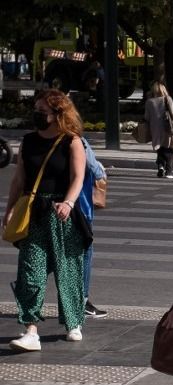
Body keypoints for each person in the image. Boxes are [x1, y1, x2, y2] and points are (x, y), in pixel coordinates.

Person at [5, 89, 88, 351]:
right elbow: (18, 179)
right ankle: (30, 329)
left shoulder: (71, 141)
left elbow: (78, 178)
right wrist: (8, 210)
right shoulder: (28, 141)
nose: (37, 115)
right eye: (36, 110)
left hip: (62, 214)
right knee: (30, 271)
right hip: (34, 214)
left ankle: (73, 322)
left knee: (68, 271)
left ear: (57, 114)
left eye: (42, 111)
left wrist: (68, 203)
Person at [79, 138, 107, 318]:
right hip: (78, 206)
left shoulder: (36, 140)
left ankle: (27, 294)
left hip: (46, 206)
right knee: (85, 251)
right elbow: (95, 170)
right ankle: (81, 301)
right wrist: (101, 171)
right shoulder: (77, 140)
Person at [143, 81, 173, 179]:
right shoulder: (167, 99)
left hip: (155, 128)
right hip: (167, 127)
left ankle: (160, 166)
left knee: (160, 148)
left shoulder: (149, 101)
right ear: (163, 89)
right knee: (170, 148)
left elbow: (146, 117)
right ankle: (169, 171)